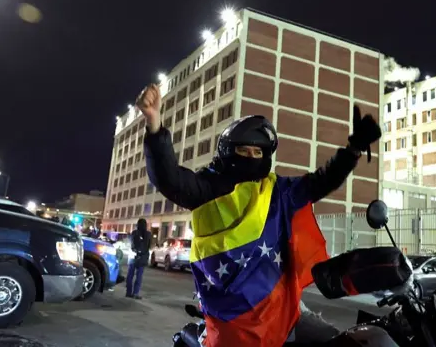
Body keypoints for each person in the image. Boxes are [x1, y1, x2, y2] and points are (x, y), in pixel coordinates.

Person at [136, 83, 381, 347]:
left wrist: (353, 149)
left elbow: (322, 181)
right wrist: (154, 123)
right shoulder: (208, 188)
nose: (251, 157)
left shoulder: (277, 191)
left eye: (258, 152)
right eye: (244, 150)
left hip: (283, 308)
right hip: (232, 319)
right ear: (229, 152)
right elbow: (170, 179)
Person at [126, 218, 152, 299]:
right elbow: (149, 246)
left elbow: (131, 243)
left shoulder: (134, 233)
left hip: (133, 256)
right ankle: (135, 293)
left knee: (130, 275)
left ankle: (128, 292)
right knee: (139, 276)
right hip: (142, 257)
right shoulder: (148, 234)